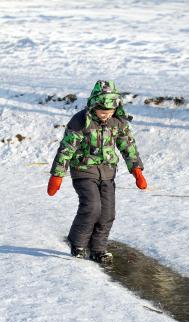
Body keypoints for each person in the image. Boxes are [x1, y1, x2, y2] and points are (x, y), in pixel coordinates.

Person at [47, 80, 147, 263]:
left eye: (109, 112)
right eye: (102, 111)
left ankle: (98, 249)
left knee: (108, 213)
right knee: (92, 207)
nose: (105, 115)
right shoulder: (80, 121)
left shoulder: (118, 122)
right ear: (93, 105)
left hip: (108, 172)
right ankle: (77, 243)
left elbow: (128, 147)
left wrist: (137, 171)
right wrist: (57, 175)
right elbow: (66, 149)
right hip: (83, 171)